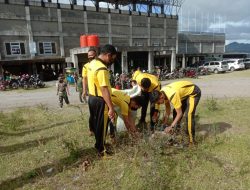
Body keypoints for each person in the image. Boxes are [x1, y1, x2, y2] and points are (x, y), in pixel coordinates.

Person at [87, 44, 117, 157]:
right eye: (113, 59)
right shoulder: (102, 68)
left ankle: (98, 144)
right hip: (100, 100)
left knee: (97, 124)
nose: (112, 61)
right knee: (103, 126)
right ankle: (102, 150)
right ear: (108, 55)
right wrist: (111, 107)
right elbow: (104, 89)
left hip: (92, 98)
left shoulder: (92, 63)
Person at [150, 81, 201, 145]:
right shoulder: (162, 93)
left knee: (189, 115)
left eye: (158, 102)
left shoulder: (172, 95)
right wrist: (165, 123)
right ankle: (176, 132)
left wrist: (171, 126)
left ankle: (192, 142)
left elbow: (180, 113)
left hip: (193, 92)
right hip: (184, 94)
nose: (159, 104)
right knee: (175, 112)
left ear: (161, 97)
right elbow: (168, 109)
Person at [82, 48, 97, 135]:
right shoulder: (85, 66)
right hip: (92, 94)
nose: (90, 58)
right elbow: (84, 79)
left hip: (101, 94)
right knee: (92, 114)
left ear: (96, 55)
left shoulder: (101, 65)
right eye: (89, 57)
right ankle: (91, 129)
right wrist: (84, 90)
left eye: (92, 56)